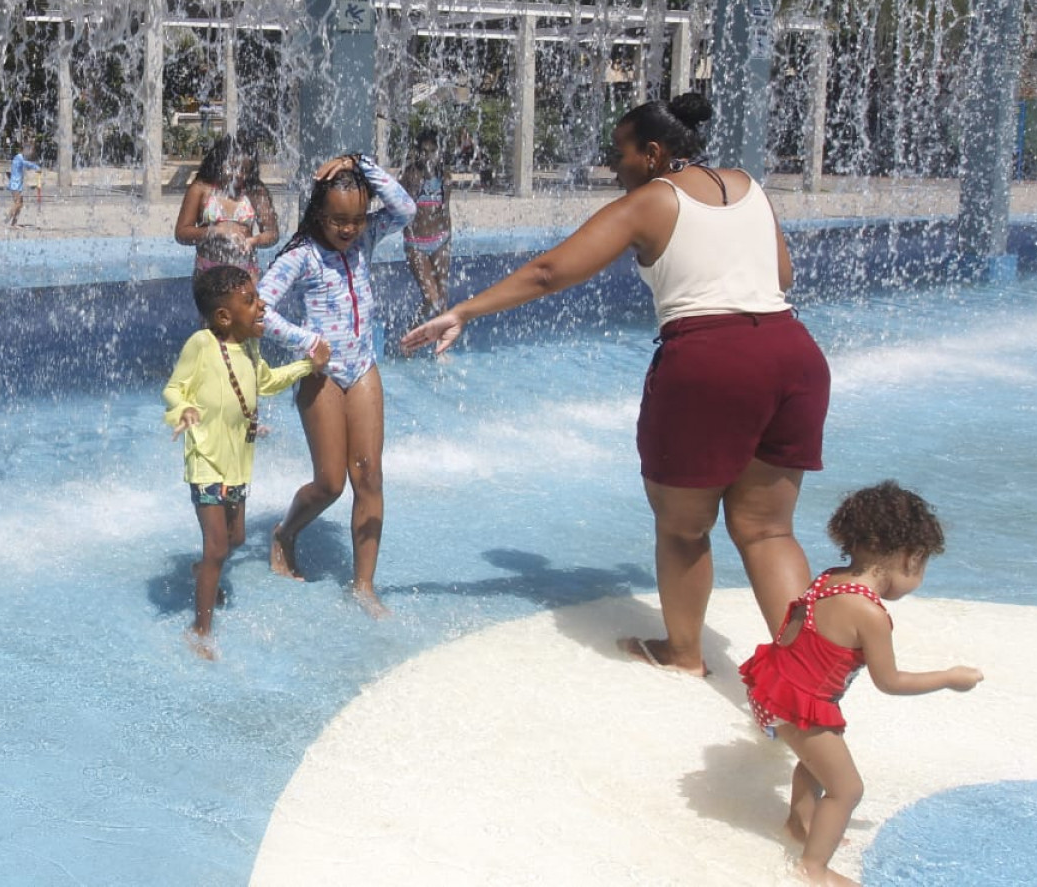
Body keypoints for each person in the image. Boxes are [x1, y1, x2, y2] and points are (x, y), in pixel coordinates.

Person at [401, 93, 829, 672]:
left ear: (652, 154)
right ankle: (808, 675)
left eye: (618, 154)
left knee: (685, 529)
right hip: (794, 355)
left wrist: (463, 312)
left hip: (710, 363)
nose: (612, 167)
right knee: (768, 531)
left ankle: (683, 654)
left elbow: (551, 271)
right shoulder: (749, 186)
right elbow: (782, 276)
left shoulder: (653, 200)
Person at [739, 482, 982, 885]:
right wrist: (949, 678)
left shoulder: (831, 579)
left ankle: (800, 824)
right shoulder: (869, 613)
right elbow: (890, 682)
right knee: (847, 789)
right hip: (801, 705)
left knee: (815, 764)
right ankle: (813, 868)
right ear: (910, 557)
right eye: (922, 567)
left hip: (775, 688)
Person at [259, 153, 416, 614]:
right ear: (318, 215)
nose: (348, 230)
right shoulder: (301, 256)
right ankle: (285, 532)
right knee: (330, 484)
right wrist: (307, 340)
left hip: (363, 367)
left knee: (369, 477)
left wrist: (360, 163)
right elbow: (259, 308)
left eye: (356, 220)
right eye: (337, 221)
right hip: (322, 374)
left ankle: (364, 585)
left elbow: (405, 209)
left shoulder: (365, 242)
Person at [163, 265, 328, 659]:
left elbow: (265, 382)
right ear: (224, 316)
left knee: (234, 539)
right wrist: (183, 409)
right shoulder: (202, 345)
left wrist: (307, 365)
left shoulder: (251, 348)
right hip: (206, 458)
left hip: (238, 461)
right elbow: (174, 387)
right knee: (218, 545)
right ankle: (200, 630)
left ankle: (203, 571)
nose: (262, 305)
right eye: (250, 300)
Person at [173, 134, 281, 276]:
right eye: (233, 167)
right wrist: (214, 231)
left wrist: (255, 240)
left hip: (246, 269)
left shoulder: (255, 192)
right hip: (208, 268)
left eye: (245, 170)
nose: (239, 175)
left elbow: (272, 234)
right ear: (219, 163)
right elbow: (181, 233)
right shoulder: (201, 189)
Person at [398, 128, 455, 317]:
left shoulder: (445, 177)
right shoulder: (410, 175)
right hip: (417, 245)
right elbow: (399, 206)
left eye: (432, 151)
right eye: (423, 151)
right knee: (431, 300)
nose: (428, 155)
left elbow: (445, 211)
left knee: (443, 302)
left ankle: (442, 345)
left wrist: (448, 240)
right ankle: (408, 342)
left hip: (441, 241)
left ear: (439, 151)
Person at [5, 138, 41, 226]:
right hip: (15, 185)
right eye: (30, 151)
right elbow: (27, 164)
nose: (30, 153)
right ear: (25, 150)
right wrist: (37, 168)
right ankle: (6, 221)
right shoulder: (19, 158)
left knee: (20, 204)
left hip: (18, 184)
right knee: (17, 203)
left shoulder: (20, 158)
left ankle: (14, 223)